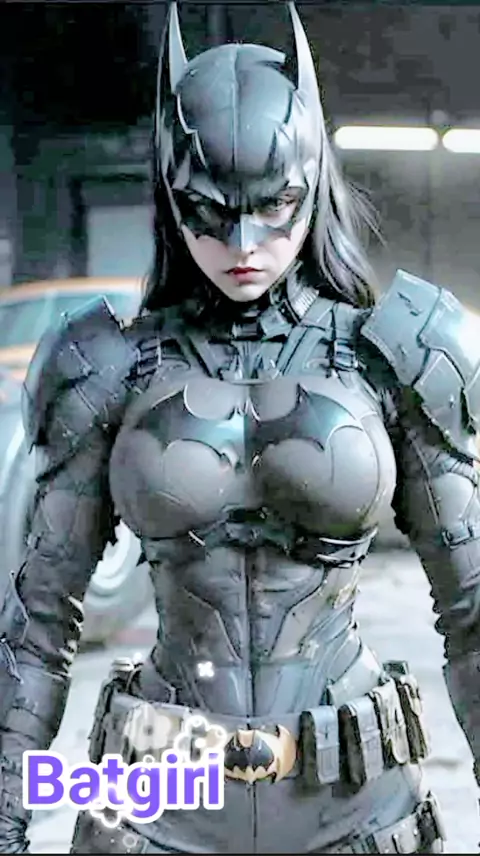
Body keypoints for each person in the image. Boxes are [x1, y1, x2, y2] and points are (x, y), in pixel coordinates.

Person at [1, 2, 480, 852]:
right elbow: (37, 626)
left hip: (356, 796)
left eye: (276, 204)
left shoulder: (397, 350)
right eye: (211, 211)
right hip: (154, 788)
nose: (244, 242)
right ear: (171, 195)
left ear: (313, 184)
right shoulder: (104, 366)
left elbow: (471, 609)